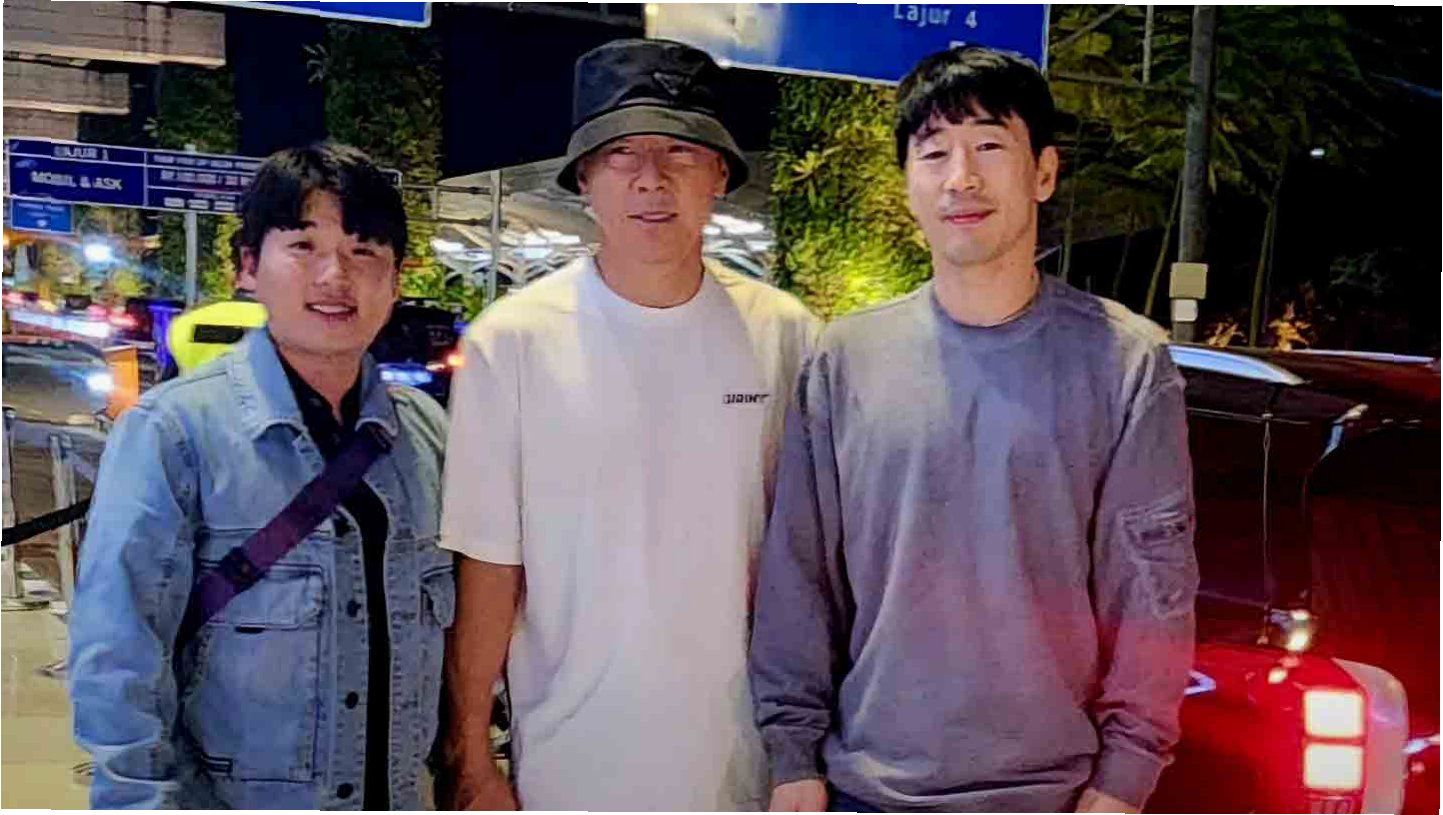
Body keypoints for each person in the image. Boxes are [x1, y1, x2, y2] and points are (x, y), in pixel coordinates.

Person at [749, 46, 1198, 814]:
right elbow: (799, 572)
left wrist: (1124, 776)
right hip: (866, 789)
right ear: (908, 184)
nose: (960, 177)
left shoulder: (1124, 361)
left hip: (1052, 794)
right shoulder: (845, 358)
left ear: (1043, 172)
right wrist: (791, 755)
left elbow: (1151, 591)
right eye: (934, 153)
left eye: (989, 145)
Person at [438, 38, 819, 812]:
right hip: (570, 764)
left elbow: (814, 563)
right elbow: (489, 566)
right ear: (584, 177)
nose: (651, 178)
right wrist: (470, 753)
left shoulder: (786, 337)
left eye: (680, 151)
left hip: (746, 765)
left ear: (719, 175)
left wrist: (803, 756)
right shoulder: (513, 341)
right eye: (621, 154)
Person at [68, 143, 451, 809]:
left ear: (395, 280)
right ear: (249, 267)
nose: (335, 275)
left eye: (363, 251)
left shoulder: (425, 435)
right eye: (303, 246)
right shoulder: (174, 432)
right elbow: (118, 656)